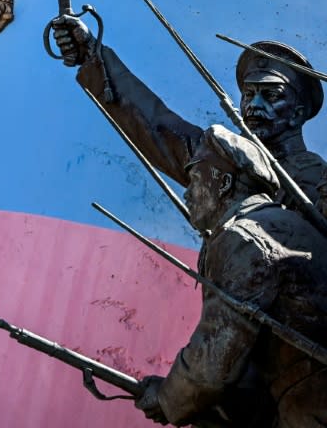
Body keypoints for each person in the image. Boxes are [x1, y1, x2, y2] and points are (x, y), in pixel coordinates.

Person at [134, 124, 327, 427]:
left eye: (195, 179)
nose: (187, 192)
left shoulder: (245, 238)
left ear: (223, 183)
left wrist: (167, 397)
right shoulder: (283, 224)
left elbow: (214, 359)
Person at [53, 17, 326, 205]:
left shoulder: (316, 179)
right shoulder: (224, 160)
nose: (254, 105)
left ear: (298, 112)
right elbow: (157, 126)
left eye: (270, 96)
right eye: (248, 94)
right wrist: (92, 55)